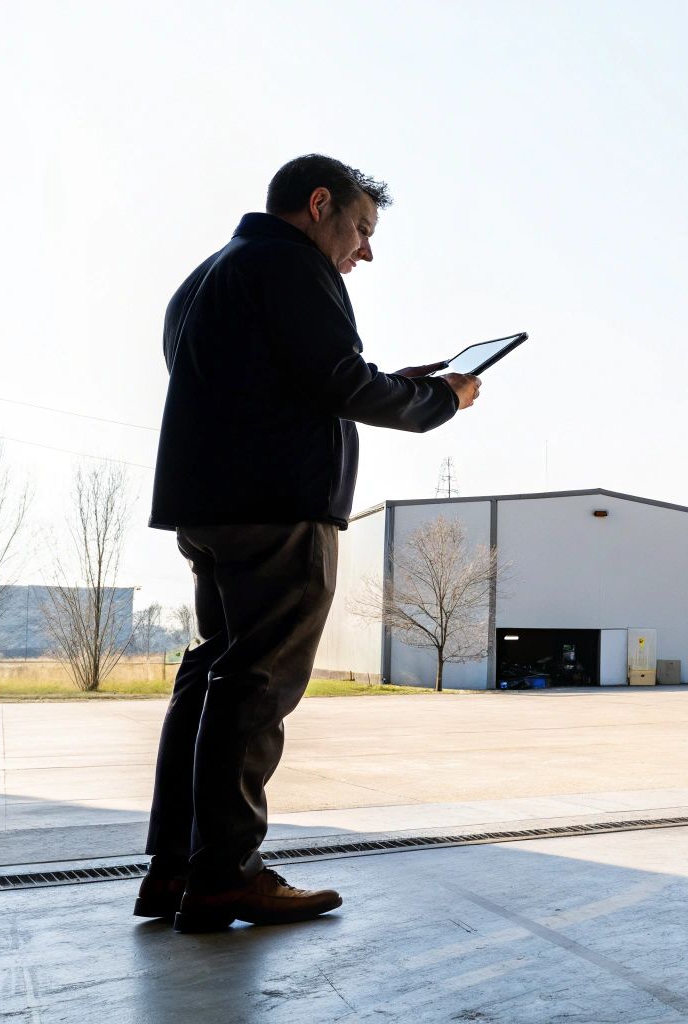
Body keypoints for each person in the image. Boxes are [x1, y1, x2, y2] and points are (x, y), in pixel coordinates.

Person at [137, 154, 480, 933]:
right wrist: (439, 400)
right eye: (361, 229)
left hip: (210, 503)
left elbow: (284, 378)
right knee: (256, 684)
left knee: (213, 676)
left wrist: (380, 377)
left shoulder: (207, 277)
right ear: (319, 204)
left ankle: (175, 870)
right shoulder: (290, 265)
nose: (366, 251)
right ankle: (227, 876)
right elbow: (339, 382)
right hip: (278, 507)